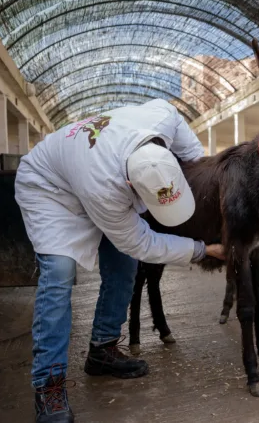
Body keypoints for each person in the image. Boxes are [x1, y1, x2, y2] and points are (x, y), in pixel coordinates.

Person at [15, 99, 225, 423]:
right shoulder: (106, 190)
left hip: (88, 171)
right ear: (130, 185)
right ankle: (49, 386)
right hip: (50, 190)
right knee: (59, 275)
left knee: (124, 265)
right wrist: (202, 249)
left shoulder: (164, 118)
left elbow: (195, 157)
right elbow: (143, 243)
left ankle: (102, 349)